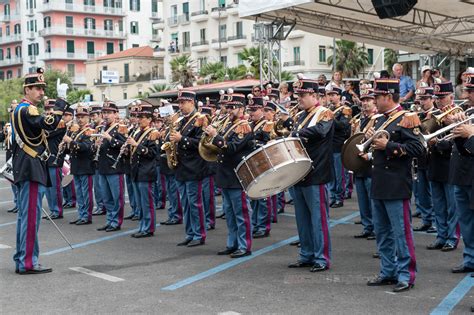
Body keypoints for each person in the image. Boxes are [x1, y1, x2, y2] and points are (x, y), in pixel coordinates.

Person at [365, 78, 424, 292]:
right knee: (382, 232)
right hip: (380, 182)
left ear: (388, 97)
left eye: (377, 97)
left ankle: (406, 274)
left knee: (401, 233)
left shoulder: (407, 118)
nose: (374, 101)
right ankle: (387, 271)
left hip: (397, 184)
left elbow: (418, 148)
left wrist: (388, 145)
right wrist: (371, 148)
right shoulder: (382, 119)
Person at [11, 68, 68, 274]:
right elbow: (48, 123)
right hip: (31, 167)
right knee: (31, 216)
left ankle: (22, 258)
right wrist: (61, 102)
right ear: (27, 89)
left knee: (25, 216)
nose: (41, 92)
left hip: (26, 165)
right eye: (37, 88)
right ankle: (28, 262)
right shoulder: (28, 109)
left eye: (42, 88)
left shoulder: (20, 109)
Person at [287, 78, 334, 272]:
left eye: (303, 95)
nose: (300, 98)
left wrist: (297, 134)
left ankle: (321, 257)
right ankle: (306, 254)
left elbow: (321, 131)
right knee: (302, 218)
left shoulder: (324, 113)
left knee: (318, 218)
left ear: (314, 96)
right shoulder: (301, 115)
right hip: (299, 173)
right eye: (298, 95)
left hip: (316, 173)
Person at [205, 93, 254, 258]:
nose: (230, 110)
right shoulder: (227, 124)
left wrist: (214, 135)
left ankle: (244, 245)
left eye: (233, 107)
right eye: (229, 107)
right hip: (225, 174)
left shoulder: (244, 126)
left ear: (241, 108)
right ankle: (232, 243)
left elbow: (231, 148)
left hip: (236, 175)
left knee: (241, 213)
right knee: (230, 214)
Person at [172, 90, 210, 247]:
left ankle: (199, 234)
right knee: (186, 203)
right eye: (179, 103)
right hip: (181, 167)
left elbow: (203, 143)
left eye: (183, 102)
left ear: (192, 102)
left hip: (194, 167)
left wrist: (182, 139)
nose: (180, 105)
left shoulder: (201, 119)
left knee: (195, 203)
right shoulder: (181, 121)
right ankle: (190, 232)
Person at [426, 81, 460, 252]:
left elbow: (456, 142)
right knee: (438, 204)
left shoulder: (458, 114)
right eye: (437, 98)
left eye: (443, 97)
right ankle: (441, 236)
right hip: (435, 164)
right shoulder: (434, 114)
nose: (439, 101)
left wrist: (437, 143)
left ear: (451, 97)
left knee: (452, 206)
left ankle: (452, 237)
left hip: (450, 165)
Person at [449, 72, 474, 275]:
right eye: (467, 91)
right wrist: (458, 130)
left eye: (471, 91)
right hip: (462, 174)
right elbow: (464, 148)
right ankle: (470, 258)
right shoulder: (467, 111)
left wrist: (471, 134)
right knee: (465, 221)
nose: (467, 95)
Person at [128, 103, 160, 238]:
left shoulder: (153, 133)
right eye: (138, 117)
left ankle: (149, 227)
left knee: (147, 202)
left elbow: (153, 153)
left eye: (142, 117)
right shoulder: (137, 132)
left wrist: (137, 145)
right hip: (136, 171)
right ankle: (142, 226)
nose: (139, 119)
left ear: (149, 119)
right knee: (140, 202)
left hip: (146, 172)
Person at [96, 101, 127, 232]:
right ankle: (110, 220)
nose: (106, 115)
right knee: (106, 197)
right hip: (103, 166)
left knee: (116, 197)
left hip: (115, 167)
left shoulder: (121, 128)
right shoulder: (101, 128)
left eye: (109, 113)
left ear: (115, 114)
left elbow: (125, 146)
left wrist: (109, 139)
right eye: (104, 112)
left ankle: (116, 222)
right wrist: (96, 144)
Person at [64, 105, 95, 225]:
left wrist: (70, 142)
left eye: (83, 117)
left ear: (88, 118)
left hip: (86, 166)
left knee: (86, 193)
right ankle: (81, 214)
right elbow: (71, 149)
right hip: (76, 166)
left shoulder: (90, 131)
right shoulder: (75, 131)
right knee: (79, 193)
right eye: (79, 117)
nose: (80, 119)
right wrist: (65, 146)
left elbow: (85, 147)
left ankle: (87, 216)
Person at [411, 85, 436, 233]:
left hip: (434, 158)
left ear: (432, 99)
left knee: (433, 193)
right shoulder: (418, 115)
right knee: (422, 192)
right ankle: (427, 219)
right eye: (421, 99)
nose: (422, 102)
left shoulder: (437, 114)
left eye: (425, 98)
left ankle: (433, 221)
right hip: (420, 158)